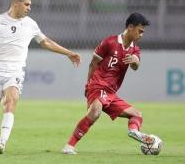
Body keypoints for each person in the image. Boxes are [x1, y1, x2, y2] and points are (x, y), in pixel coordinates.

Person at [0, 0, 81, 154]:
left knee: (10, 103)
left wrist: (69, 53)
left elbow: (46, 42)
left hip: (15, 72)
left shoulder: (30, 24)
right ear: (16, 3)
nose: (29, 8)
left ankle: (2, 142)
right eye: (26, 4)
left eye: (30, 5)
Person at [62, 13, 155, 154]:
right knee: (95, 112)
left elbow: (135, 65)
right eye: (140, 31)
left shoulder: (134, 48)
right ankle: (69, 147)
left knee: (137, 114)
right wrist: (89, 86)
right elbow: (93, 64)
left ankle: (134, 131)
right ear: (130, 27)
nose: (141, 35)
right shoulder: (109, 42)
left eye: (143, 32)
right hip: (98, 86)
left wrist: (135, 61)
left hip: (111, 92)